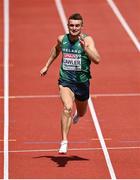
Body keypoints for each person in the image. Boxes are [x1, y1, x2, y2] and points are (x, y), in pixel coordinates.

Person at [40, 13, 100, 154]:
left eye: (77, 25)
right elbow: (56, 50)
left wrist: (86, 49)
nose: (74, 28)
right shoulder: (62, 39)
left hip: (82, 83)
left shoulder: (88, 40)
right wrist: (46, 66)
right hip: (66, 80)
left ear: (81, 27)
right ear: (68, 26)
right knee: (67, 107)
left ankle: (78, 115)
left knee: (82, 112)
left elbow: (97, 59)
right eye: (71, 25)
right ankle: (64, 141)